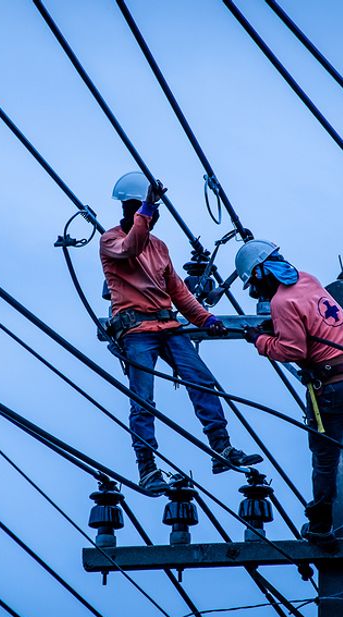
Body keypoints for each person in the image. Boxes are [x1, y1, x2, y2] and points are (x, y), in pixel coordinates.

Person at [101, 172, 263, 495]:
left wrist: (206, 320)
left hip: (168, 327)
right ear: (134, 210)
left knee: (201, 379)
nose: (153, 216)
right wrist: (148, 206)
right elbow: (132, 247)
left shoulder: (160, 248)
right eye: (147, 211)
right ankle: (147, 468)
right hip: (136, 331)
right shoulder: (111, 240)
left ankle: (221, 447)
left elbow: (179, 292)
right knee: (143, 400)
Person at [235, 239, 343, 545]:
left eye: (255, 287)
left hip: (331, 388)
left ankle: (321, 527)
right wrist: (273, 326)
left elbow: (292, 348)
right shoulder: (308, 280)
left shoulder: (281, 303)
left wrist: (259, 340)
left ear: (260, 275)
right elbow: (310, 320)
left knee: (325, 460)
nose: (257, 294)